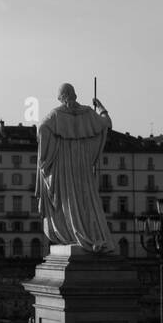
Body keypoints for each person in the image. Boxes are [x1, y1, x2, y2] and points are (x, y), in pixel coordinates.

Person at [35, 84, 115, 252]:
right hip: (83, 165)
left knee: (68, 200)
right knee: (86, 199)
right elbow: (106, 124)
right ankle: (91, 234)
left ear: (63, 97)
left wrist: (45, 158)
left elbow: (42, 128)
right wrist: (100, 107)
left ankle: (72, 234)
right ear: (74, 95)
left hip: (64, 165)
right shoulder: (88, 113)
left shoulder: (56, 114)